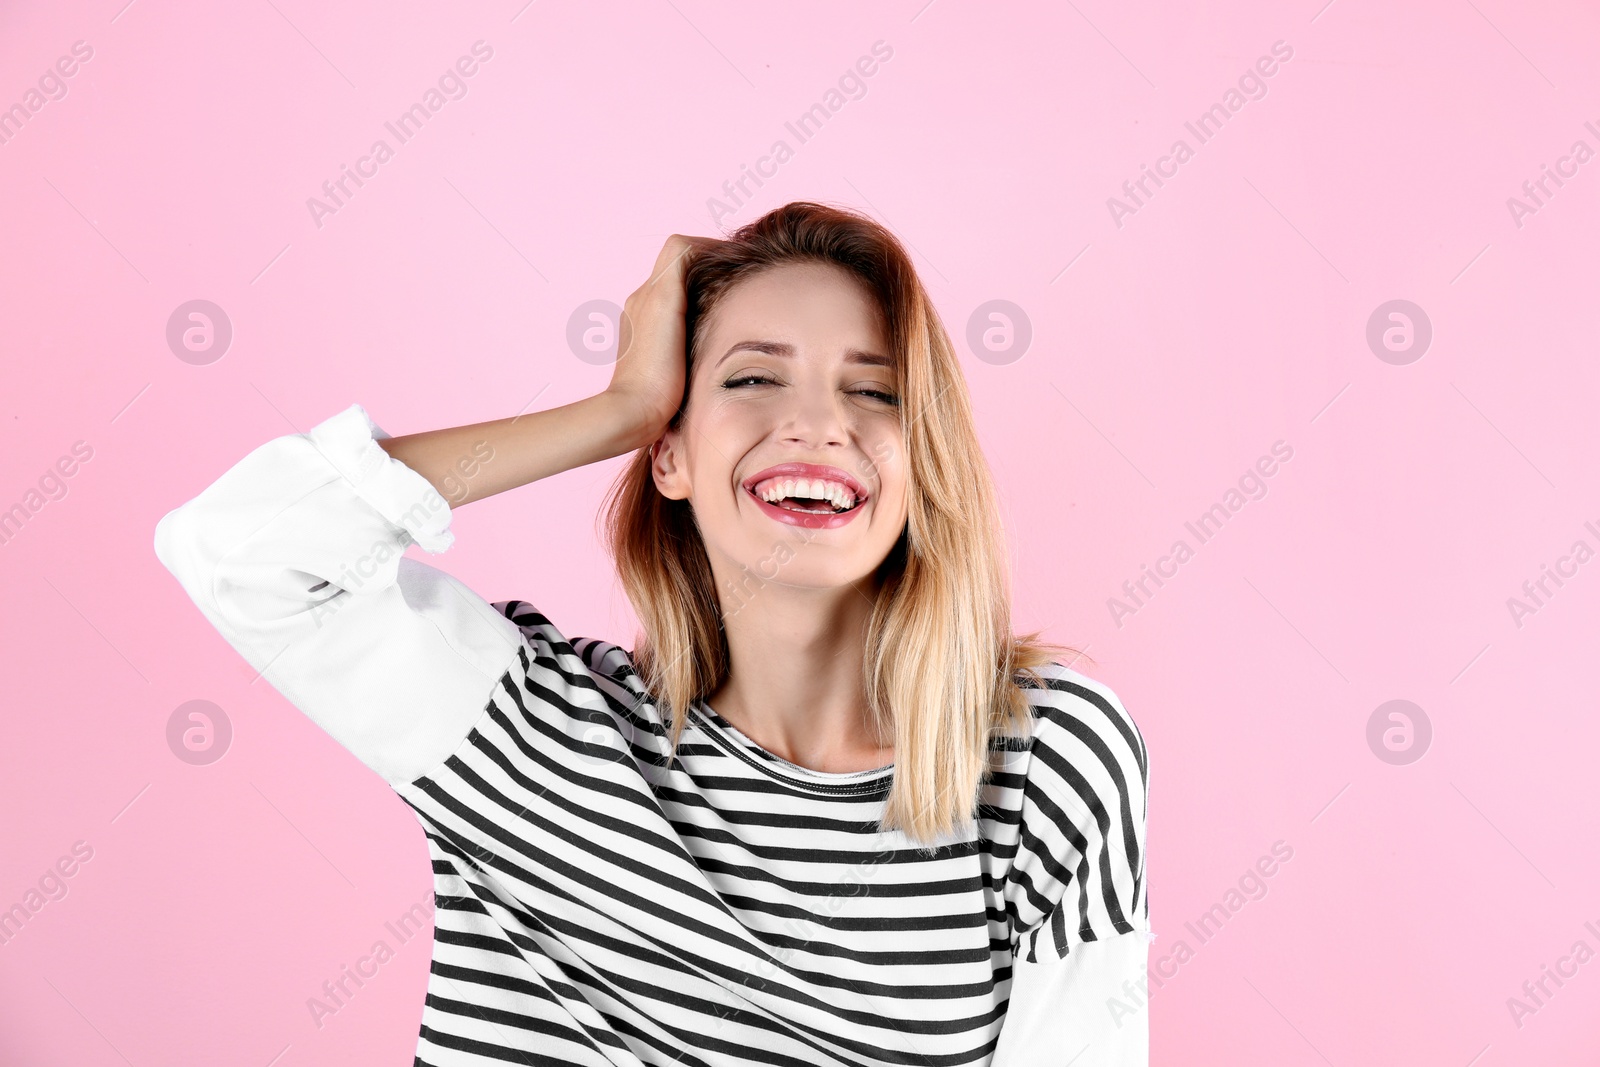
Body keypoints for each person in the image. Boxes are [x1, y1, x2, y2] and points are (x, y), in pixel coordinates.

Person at [154, 202, 1152, 1065]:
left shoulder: (1040, 756)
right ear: (668, 454)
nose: (817, 423)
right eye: (755, 379)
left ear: (920, 458)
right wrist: (617, 408)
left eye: (876, 390)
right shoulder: (531, 728)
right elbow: (242, 552)